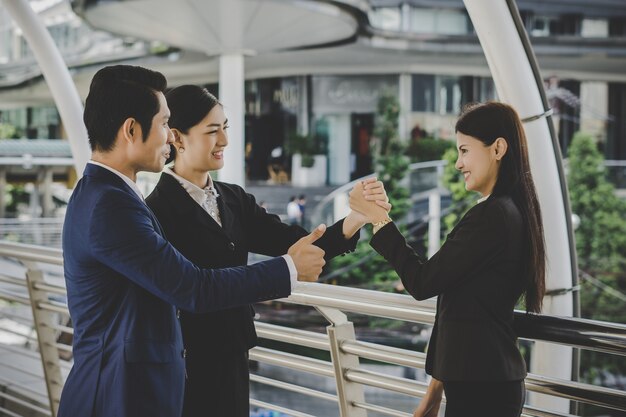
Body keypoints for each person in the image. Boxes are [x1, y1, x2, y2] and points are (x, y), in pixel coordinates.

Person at [59, 65, 327, 417]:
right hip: (118, 396)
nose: (170, 137)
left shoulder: (105, 194)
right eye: (164, 124)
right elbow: (193, 287)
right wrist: (288, 269)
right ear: (131, 129)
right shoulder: (110, 206)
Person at [145, 84, 389, 417]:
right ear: (177, 137)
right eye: (213, 131)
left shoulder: (233, 199)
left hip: (236, 350)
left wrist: (356, 218)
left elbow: (301, 245)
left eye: (226, 128)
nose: (225, 141)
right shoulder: (154, 211)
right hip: (187, 362)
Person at [349, 101, 546, 417]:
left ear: (498, 149)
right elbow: (464, 307)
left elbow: (423, 281)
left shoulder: (493, 216)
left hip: (483, 391)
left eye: (465, 151)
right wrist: (435, 391)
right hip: (482, 384)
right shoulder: (505, 211)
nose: (458, 163)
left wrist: (378, 218)